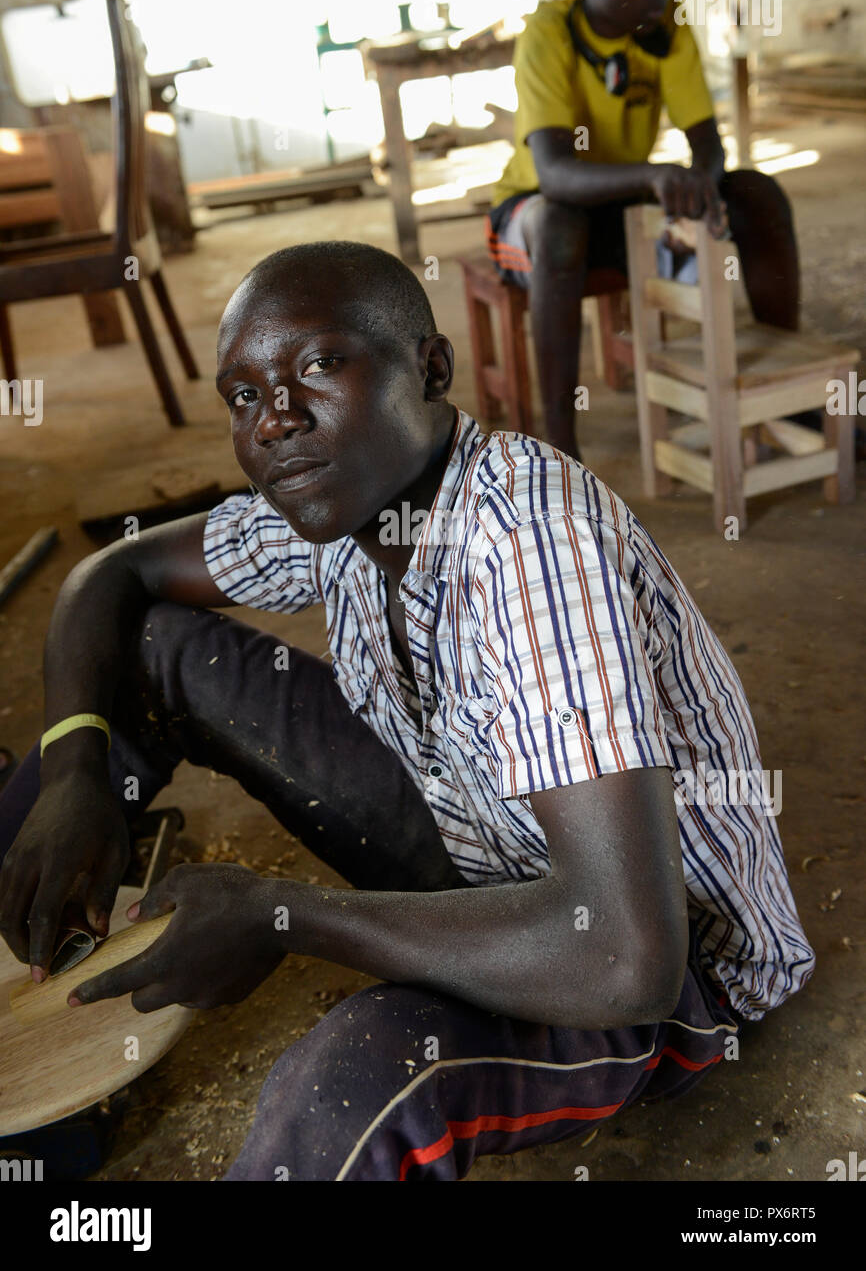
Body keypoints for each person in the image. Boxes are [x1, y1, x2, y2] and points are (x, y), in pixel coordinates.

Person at [0, 241, 812, 1181]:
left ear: (431, 368)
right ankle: (29, 1078)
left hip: (649, 962)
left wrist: (283, 918)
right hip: (481, 843)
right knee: (150, 653)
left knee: (359, 1073)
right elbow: (112, 572)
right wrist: (74, 773)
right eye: (243, 396)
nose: (276, 421)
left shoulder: (532, 546)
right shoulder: (347, 495)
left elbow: (627, 957)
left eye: (317, 365)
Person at [488, 0, 799, 460]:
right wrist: (655, 176)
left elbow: (708, 144)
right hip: (534, 215)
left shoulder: (666, 31)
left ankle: (784, 384)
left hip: (622, 211)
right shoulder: (549, 33)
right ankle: (560, 445)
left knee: (758, 195)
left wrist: (701, 184)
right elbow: (555, 175)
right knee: (561, 225)